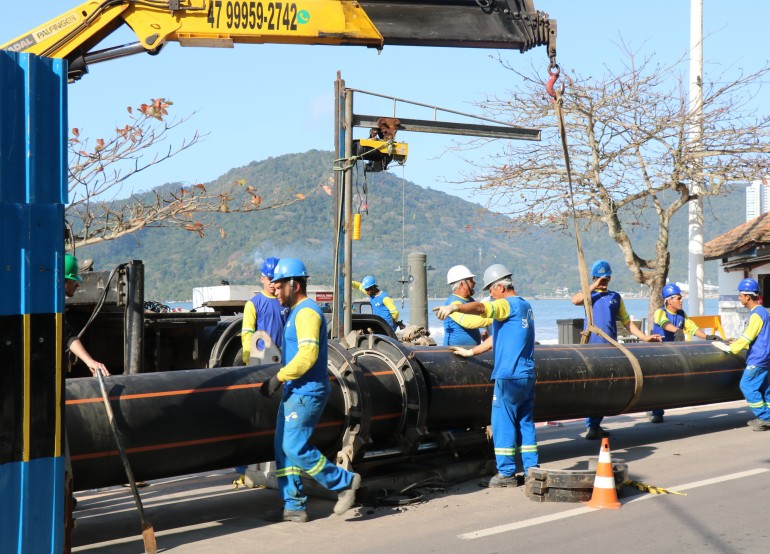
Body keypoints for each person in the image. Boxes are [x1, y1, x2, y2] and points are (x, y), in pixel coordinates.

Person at [260, 258, 361, 522]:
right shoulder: (295, 312)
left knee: (294, 447)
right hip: (294, 390)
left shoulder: (307, 313)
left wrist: (278, 378)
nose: (275, 291)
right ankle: (293, 505)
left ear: (294, 285)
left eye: (279, 287)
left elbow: (307, 355)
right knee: (283, 449)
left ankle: (344, 482)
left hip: (307, 391)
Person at [434, 263, 538, 486]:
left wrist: (455, 307)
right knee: (525, 423)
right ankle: (532, 470)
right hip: (527, 375)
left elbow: (481, 309)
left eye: (491, 289)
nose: (490, 294)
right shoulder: (525, 305)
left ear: (500, 287)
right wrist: (471, 351)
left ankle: (506, 474)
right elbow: (495, 338)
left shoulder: (505, 304)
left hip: (508, 376)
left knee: (503, 423)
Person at [571, 259, 661, 440]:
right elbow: (575, 300)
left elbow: (627, 322)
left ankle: (596, 424)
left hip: (611, 349)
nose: (604, 281)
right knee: (595, 389)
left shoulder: (615, 297)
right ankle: (592, 425)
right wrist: (595, 284)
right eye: (601, 278)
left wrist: (645, 337)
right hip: (592, 349)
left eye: (606, 278)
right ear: (595, 277)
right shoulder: (589, 295)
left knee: (607, 388)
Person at [648, 283, 720, 423]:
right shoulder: (660, 312)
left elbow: (692, 328)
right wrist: (677, 330)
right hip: (659, 354)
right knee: (659, 383)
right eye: (679, 298)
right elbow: (664, 324)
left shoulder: (682, 314)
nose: (682, 300)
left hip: (675, 353)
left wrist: (707, 337)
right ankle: (657, 412)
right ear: (669, 300)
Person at [713, 278, 770, 431]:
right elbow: (757, 336)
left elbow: (748, 337)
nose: (739, 298)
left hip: (758, 358)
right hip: (764, 356)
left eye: (740, 295)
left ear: (748, 297)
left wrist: (729, 348)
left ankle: (765, 417)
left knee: (747, 385)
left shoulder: (757, 314)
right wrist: (737, 340)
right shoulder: (762, 312)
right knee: (763, 387)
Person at [63, 253, 109, 377]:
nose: (77, 285)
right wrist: (90, 361)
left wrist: (89, 361)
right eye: (74, 281)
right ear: (63, 280)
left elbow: (67, 334)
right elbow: (67, 335)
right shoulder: (46, 304)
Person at [241, 257, 288, 364]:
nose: (272, 283)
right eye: (269, 279)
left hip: (285, 357)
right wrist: (248, 358)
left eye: (275, 279)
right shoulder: (253, 304)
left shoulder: (287, 302)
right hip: (262, 359)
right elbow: (247, 333)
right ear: (262, 279)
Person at [442, 265, 493, 346]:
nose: (474, 283)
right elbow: (468, 322)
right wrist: (495, 317)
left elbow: (482, 314)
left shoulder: (470, 300)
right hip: (454, 350)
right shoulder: (453, 303)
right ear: (462, 284)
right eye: (471, 280)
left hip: (470, 350)